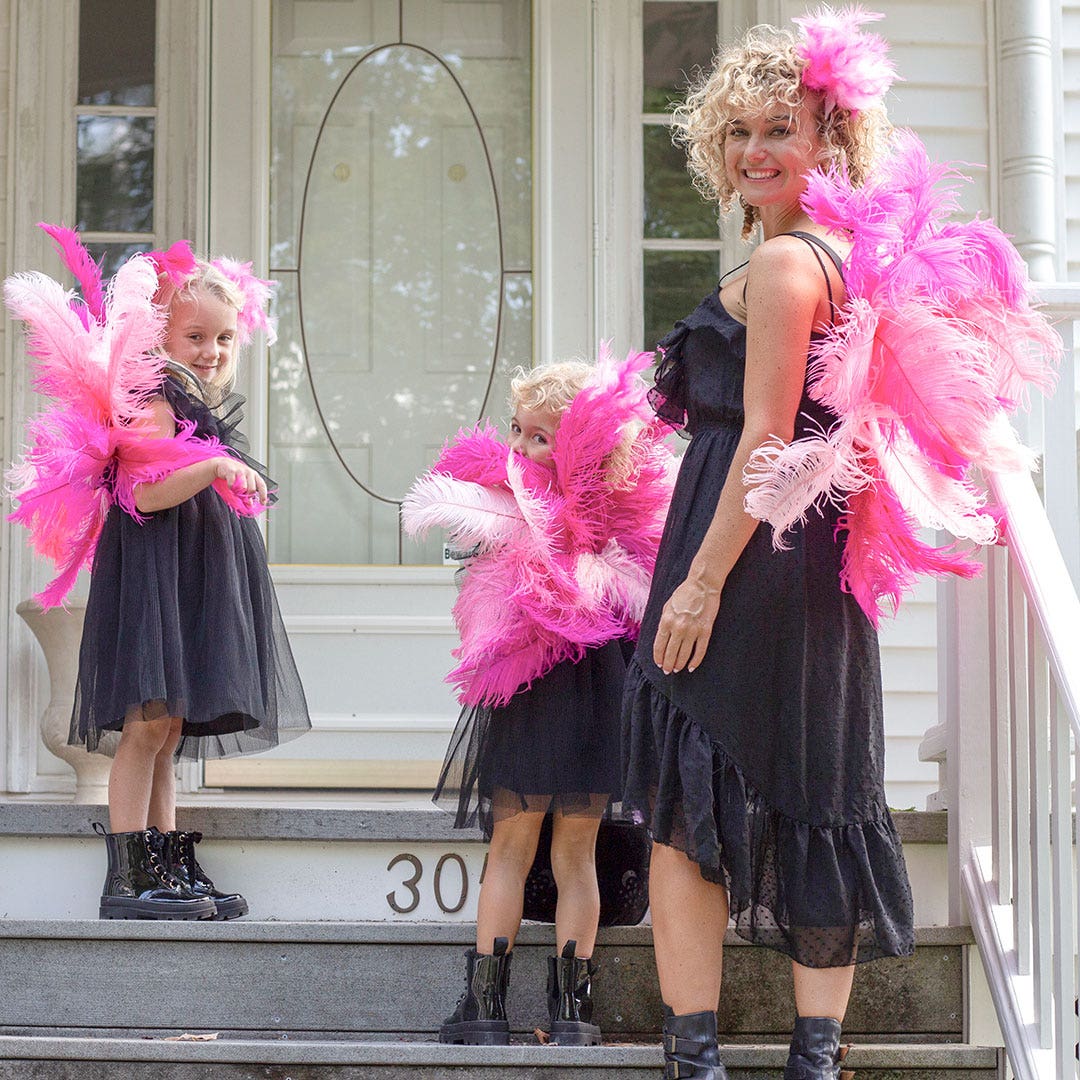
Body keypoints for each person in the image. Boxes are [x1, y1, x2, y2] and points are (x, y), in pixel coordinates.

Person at [620, 12, 911, 1080]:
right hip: (805, 557)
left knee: (690, 793)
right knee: (816, 785)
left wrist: (699, 581)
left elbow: (769, 436)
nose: (753, 151)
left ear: (832, 141)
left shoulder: (791, 263)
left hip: (746, 555)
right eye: (736, 132)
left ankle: (695, 1056)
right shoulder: (843, 256)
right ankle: (815, 1056)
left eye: (778, 130)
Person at [5, 231, 311, 920]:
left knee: (168, 729)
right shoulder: (154, 398)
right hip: (155, 579)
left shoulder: (197, 404)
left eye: (225, 338)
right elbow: (142, 495)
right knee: (146, 726)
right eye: (196, 335)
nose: (212, 351)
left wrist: (227, 483)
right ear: (159, 333)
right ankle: (126, 876)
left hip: (185, 575)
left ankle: (168, 862)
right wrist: (213, 469)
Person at [403, 349, 674, 1046]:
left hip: (532, 686)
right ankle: (573, 1013)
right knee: (573, 853)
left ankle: (486, 1008)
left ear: (581, 445)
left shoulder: (529, 508)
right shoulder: (619, 516)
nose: (520, 447)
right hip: (598, 690)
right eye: (517, 430)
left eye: (540, 437)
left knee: (513, 847)